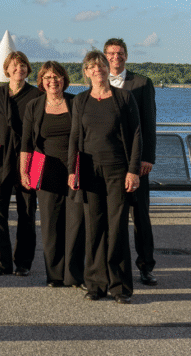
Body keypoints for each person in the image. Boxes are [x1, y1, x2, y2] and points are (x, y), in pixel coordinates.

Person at [69, 50, 142, 303]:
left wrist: (133, 170)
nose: (97, 69)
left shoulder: (123, 97)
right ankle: (96, 285)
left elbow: (135, 136)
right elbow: (75, 138)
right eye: (91, 66)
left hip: (118, 171)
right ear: (86, 72)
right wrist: (72, 170)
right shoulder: (80, 101)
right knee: (94, 228)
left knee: (118, 228)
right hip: (90, 171)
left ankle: (120, 287)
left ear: (107, 68)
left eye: (100, 65)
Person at [0, 51, 42, 277]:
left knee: (27, 212)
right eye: (14, 66)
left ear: (28, 69)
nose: (19, 69)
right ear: (7, 70)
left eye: (23, 65)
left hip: (28, 158)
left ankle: (23, 262)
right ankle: (1, 262)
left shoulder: (37, 94)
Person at [21, 61, 83, 288]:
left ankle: (74, 275)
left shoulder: (76, 103)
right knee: (50, 224)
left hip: (74, 171)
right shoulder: (34, 106)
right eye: (47, 77)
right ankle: (55, 275)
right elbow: (26, 142)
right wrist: (23, 171)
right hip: (45, 171)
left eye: (56, 77)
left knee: (76, 223)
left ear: (64, 80)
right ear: (41, 81)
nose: (52, 81)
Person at [104, 38, 158, 287]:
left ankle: (146, 266)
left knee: (141, 217)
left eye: (120, 53)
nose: (116, 57)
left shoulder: (142, 83)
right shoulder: (99, 82)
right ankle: (111, 266)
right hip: (111, 162)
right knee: (112, 217)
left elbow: (149, 122)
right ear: (105, 56)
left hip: (138, 162)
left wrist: (147, 157)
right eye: (112, 53)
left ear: (126, 55)